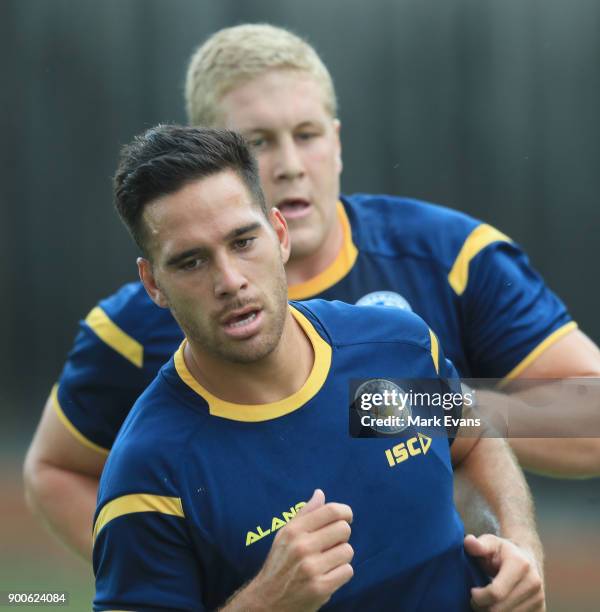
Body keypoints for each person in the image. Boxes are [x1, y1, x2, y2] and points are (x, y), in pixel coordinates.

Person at [24, 23, 600, 560]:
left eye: (307, 134)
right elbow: (53, 470)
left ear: (338, 141)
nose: (292, 164)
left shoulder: (450, 257)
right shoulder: (136, 326)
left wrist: (429, 403)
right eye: (259, 143)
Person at [93, 124, 544, 611]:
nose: (229, 280)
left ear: (279, 234)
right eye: (191, 262)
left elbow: (472, 438)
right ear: (153, 283)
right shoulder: (151, 473)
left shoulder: (392, 348)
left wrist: (519, 542)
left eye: (243, 241)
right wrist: (266, 603)